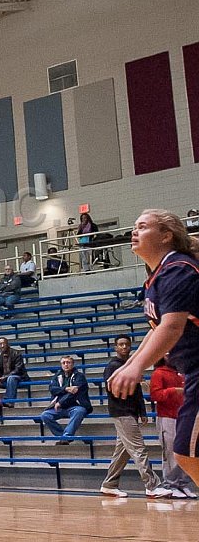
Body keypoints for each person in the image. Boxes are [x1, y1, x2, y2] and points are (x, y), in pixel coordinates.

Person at [108, 209, 199, 488]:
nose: (134, 232)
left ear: (166, 236)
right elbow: (157, 330)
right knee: (187, 454)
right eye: (134, 226)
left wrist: (136, 368)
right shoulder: (157, 277)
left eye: (143, 226)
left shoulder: (178, 269)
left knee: (187, 452)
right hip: (193, 372)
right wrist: (131, 363)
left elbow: (171, 327)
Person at [99, 335, 170, 498]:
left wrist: (142, 412)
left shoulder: (132, 365)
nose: (124, 347)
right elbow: (113, 391)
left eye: (127, 344)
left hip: (131, 412)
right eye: (121, 344)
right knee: (139, 448)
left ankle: (109, 484)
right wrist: (131, 381)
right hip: (121, 412)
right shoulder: (112, 366)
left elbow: (138, 392)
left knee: (122, 451)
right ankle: (152, 485)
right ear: (115, 347)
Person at [150, 358, 197, 497]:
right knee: (170, 452)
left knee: (184, 451)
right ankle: (170, 484)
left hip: (183, 417)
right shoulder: (159, 373)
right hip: (167, 417)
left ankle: (182, 484)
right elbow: (155, 395)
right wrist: (172, 391)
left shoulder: (182, 373)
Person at [39, 356, 92, 444]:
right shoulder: (57, 376)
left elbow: (74, 394)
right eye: (63, 363)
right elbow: (52, 389)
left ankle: (67, 436)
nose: (66, 365)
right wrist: (66, 389)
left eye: (68, 362)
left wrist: (60, 402)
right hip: (59, 408)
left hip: (75, 406)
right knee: (45, 415)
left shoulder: (80, 376)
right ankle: (62, 437)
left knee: (80, 411)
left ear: (73, 364)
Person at [0, 337, 28, 408]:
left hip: (19, 377)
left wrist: (5, 377)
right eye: (0, 344)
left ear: (7, 344)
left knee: (11, 378)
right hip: (3, 378)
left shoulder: (16, 353)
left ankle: (9, 401)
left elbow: (18, 369)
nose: (2, 346)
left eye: (4, 343)